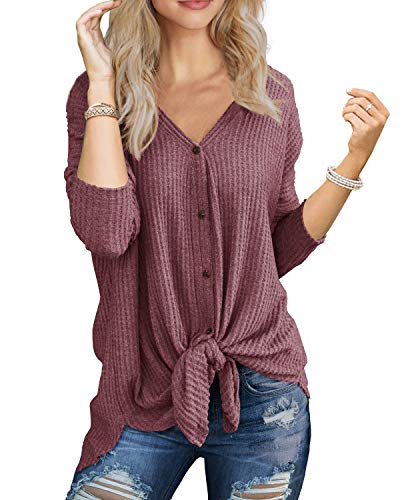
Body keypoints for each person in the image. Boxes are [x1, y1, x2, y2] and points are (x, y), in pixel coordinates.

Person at [64, 1, 389, 499]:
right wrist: (104, 84)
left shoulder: (271, 94)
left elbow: (274, 250)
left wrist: (355, 158)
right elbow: (106, 232)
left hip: (264, 400)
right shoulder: (101, 95)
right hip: (142, 394)